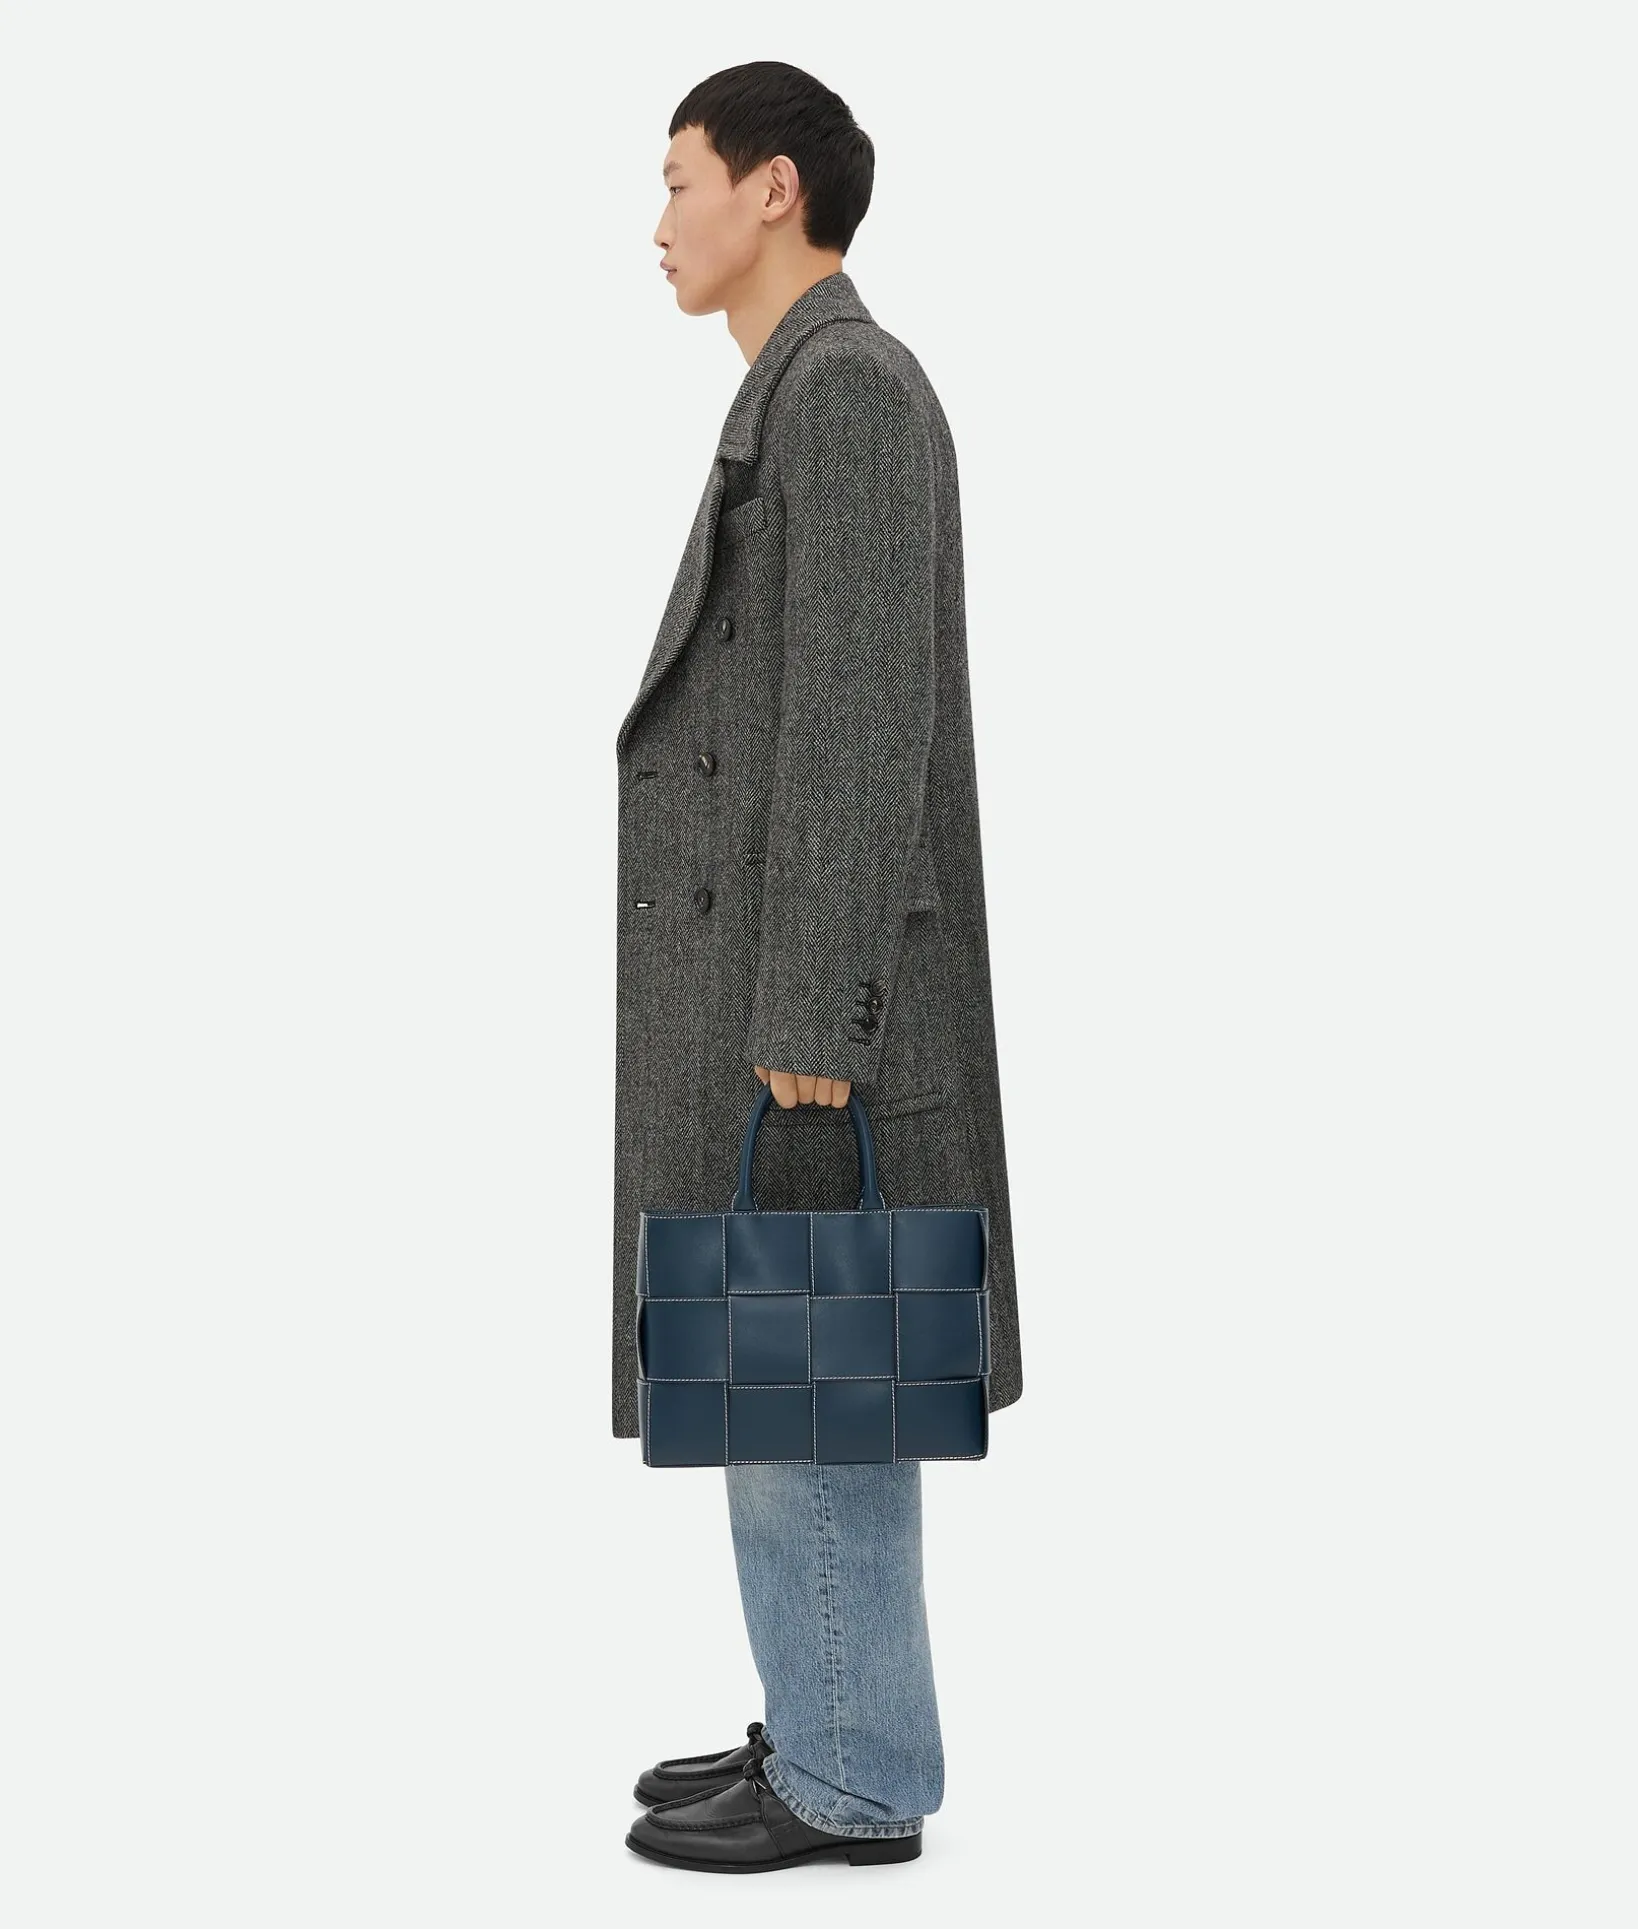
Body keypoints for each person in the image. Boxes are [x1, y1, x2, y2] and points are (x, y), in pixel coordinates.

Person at [612, 60, 1023, 1873]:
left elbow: (863, 724)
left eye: (679, 179)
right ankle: (825, 1714)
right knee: (780, 1376)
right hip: (784, 996)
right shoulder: (799, 390)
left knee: (816, 1384)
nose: (659, 221)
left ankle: (855, 1775)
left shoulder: (845, 391)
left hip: (809, 1013)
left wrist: (813, 1015)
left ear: (771, 188)